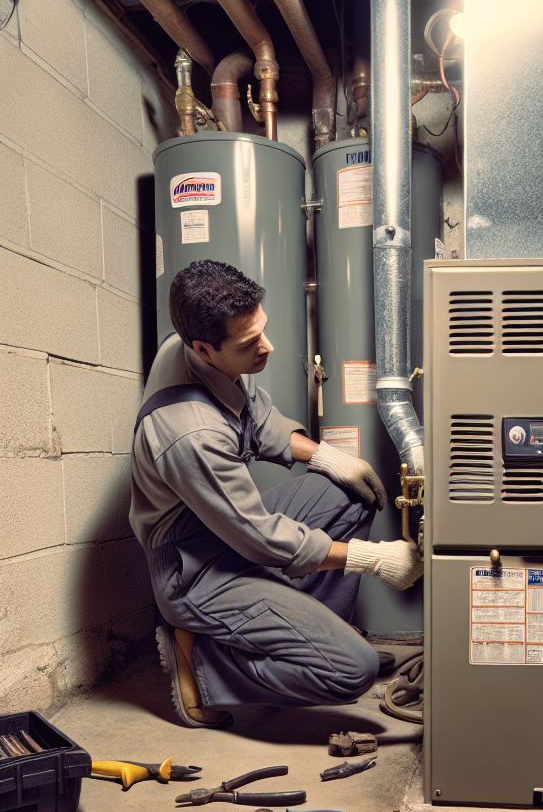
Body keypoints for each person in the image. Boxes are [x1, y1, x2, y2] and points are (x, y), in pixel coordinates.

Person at [129, 260, 421, 729]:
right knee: (353, 670)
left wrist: (328, 457)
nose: (268, 347)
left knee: (352, 494)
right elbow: (261, 539)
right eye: (250, 344)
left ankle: (311, 630)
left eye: (262, 329)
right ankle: (202, 666)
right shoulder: (191, 434)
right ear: (204, 348)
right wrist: (373, 559)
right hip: (193, 568)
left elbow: (256, 419)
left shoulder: (183, 346)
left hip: (222, 525)